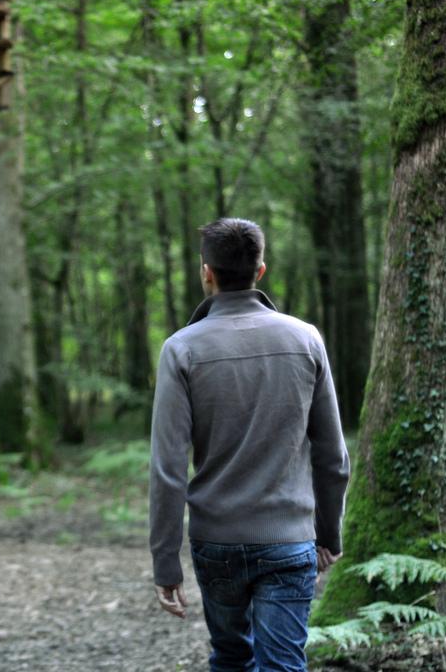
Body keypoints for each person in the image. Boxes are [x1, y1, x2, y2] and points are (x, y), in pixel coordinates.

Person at [148, 218, 351, 671]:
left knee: (232, 657)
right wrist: (329, 533)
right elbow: (333, 456)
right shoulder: (306, 339)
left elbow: (167, 468)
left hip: (215, 541)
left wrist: (166, 563)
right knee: (282, 664)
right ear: (261, 270)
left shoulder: (180, 350)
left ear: (207, 272)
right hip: (289, 539)